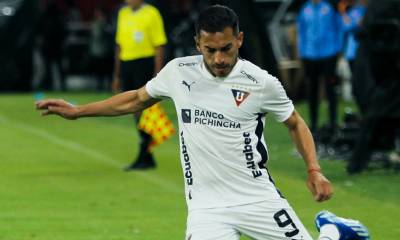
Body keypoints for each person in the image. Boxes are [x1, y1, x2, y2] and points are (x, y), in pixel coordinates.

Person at [36, 5, 369, 240]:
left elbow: (294, 123)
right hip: (206, 205)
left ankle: (332, 231)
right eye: (210, 50)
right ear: (198, 44)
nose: (219, 59)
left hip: (256, 196)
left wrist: (313, 169)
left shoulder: (261, 82)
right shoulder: (179, 72)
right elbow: (136, 99)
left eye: (226, 48)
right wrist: (79, 111)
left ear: (239, 39)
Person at [112, 0, 167, 170]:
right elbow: (119, 46)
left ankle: (146, 151)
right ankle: (146, 151)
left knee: (145, 109)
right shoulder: (123, 13)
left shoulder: (152, 13)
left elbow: (159, 45)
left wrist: (157, 74)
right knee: (135, 109)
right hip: (127, 64)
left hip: (144, 63)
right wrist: (117, 75)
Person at [297, 0, 342, 135]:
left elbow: (338, 27)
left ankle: (333, 123)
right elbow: (302, 31)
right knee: (312, 90)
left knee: (330, 89)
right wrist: (303, 52)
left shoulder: (329, 8)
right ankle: (314, 125)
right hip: (310, 55)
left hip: (329, 53)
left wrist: (337, 49)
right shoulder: (305, 9)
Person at [338, 0, 367, 71]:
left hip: (366, 51)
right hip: (352, 52)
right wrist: (356, 23)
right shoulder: (353, 11)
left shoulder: (369, 10)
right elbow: (344, 26)